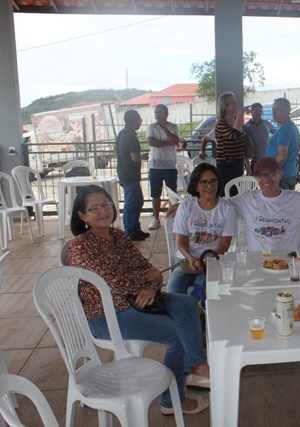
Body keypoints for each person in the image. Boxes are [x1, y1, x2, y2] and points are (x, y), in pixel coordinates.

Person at [66, 185, 210, 416]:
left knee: (186, 302)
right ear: (82, 215)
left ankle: (195, 362)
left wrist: (151, 287)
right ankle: (172, 400)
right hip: (108, 315)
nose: (104, 211)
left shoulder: (119, 236)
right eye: (95, 208)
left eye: (106, 204)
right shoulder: (81, 246)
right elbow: (114, 282)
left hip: (140, 300)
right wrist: (147, 279)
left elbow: (151, 270)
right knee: (177, 334)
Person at [167, 163, 237, 294]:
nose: (209, 186)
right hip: (187, 262)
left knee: (203, 290)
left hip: (212, 262)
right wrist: (190, 258)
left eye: (213, 181)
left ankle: (199, 307)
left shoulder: (227, 208)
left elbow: (225, 244)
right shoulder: (186, 206)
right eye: (203, 182)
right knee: (173, 290)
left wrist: (208, 259)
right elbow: (181, 241)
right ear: (196, 185)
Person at [115, 110, 149, 241]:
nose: (140, 122)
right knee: (132, 204)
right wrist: (143, 157)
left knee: (138, 201)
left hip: (124, 173)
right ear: (135, 121)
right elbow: (135, 158)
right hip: (130, 175)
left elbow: (115, 149)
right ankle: (130, 231)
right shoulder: (131, 137)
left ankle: (136, 228)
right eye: (140, 120)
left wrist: (122, 158)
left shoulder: (122, 134)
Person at [206, 91, 247, 196]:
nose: (235, 104)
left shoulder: (234, 122)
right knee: (227, 193)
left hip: (237, 163)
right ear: (225, 106)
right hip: (227, 165)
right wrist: (240, 115)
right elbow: (234, 135)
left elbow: (241, 143)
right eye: (232, 102)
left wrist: (246, 163)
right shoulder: (221, 123)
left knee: (236, 194)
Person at [147, 104, 180, 230]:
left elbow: (175, 141)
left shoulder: (173, 127)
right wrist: (168, 142)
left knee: (172, 194)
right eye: (156, 112)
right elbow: (151, 142)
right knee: (155, 194)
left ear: (166, 114)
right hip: (155, 166)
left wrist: (164, 128)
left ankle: (173, 219)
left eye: (160, 112)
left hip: (170, 166)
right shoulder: (151, 127)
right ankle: (155, 219)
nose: (158, 115)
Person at [266, 98, 300, 190]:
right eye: (273, 110)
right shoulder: (292, 127)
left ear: (287, 111)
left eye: (277, 110)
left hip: (281, 177)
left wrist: (269, 174)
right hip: (289, 174)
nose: (274, 113)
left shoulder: (284, 129)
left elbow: (281, 157)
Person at [244, 102, 276, 173]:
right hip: (254, 160)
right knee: (254, 179)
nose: (258, 113)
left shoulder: (267, 123)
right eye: (256, 111)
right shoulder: (246, 126)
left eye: (260, 111)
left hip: (267, 158)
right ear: (251, 112)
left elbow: (277, 134)